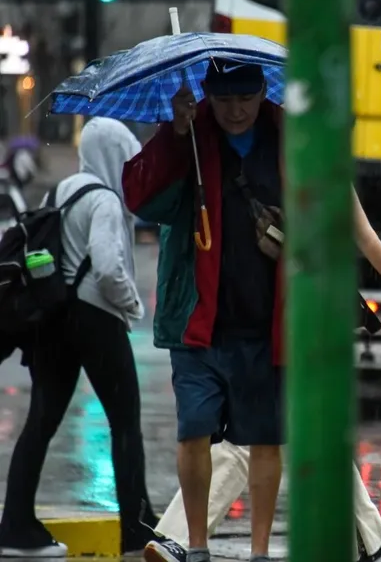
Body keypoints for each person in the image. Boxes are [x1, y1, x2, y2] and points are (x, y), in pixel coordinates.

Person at [142, 188, 381, 562]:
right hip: (269, 322)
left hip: (298, 321)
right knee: (304, 433)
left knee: (257, 436)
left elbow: (366, 237)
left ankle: (180, 538)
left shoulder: (311, 168)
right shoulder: (255, 161)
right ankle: (370, 545)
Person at [122, 61, 285, 562]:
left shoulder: (286, 139)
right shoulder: (191, 140)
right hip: (198, 320)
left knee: (264, 438)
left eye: (245, 98)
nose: (235, 111)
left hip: (265, 321)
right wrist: (175, 132)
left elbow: (323, 209)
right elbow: (140, 198)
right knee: (193, 429)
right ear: (208, 96)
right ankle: (196, 547)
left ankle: (260, 551)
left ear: (263, 92)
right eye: (223, 99)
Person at [0, 118, 157, 557]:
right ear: (114, 155)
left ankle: (15, 526)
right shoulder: (105, 199)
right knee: (125, 423)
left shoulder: (61, 190)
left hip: (52, 318)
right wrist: (132, 305)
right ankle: (137, 532)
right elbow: (108, 268)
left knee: (40, 423)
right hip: (96, 319)